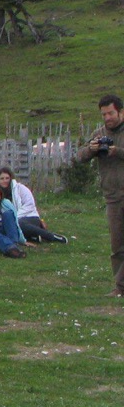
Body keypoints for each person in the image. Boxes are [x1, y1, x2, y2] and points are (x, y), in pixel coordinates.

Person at [75, 94, 124, 296]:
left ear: (121, 111)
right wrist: (91, 149)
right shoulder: (99, 133)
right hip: (112, 197)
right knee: (117, 246)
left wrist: (117, 151)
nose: (107, 118)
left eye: (111, 113)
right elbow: (78, 157)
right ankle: (120, 288)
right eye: (104, 114)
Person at [0, 167, 67, 244]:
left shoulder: (20, 188)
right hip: (8, 220)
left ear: (11, 178)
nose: (5, 181)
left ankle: (50, 236)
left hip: (29, 216)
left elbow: (29, 205)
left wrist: (14, 217)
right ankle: (32, 237)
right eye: (2, 178)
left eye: (7, 178)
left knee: (18, 224)